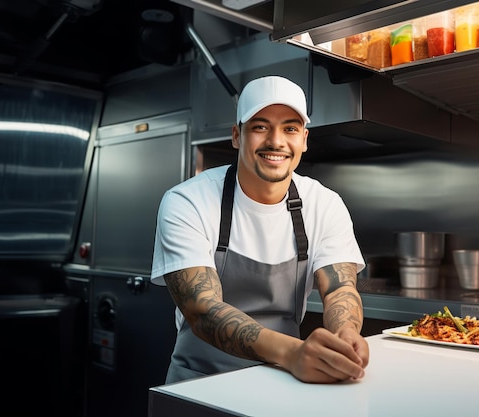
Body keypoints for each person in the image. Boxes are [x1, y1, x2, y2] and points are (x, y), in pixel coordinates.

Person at [151, 75, 369, 384]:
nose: (276, 141)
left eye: (290, 128)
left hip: (282, 380)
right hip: (199, 382)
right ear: (237, 136)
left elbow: (339, 289)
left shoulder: (325, 203)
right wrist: (293, 353)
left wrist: (345, 336)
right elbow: (202, 311)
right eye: (260, 126)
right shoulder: (188, 201)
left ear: (304, 140)